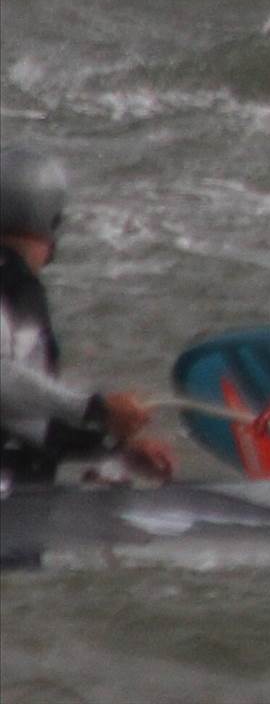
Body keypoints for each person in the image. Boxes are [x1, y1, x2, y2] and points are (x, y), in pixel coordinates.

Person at [1, 146, 176, 494]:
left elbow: (21, 420)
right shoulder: (15, 288)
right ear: (50, 220)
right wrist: (95, 409)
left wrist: (112, 448)